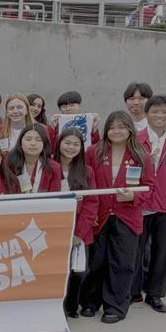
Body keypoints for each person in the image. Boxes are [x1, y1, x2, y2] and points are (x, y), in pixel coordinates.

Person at [82, 111, 154, 324]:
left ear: (130, 129)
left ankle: (115, 306)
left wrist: (133, 196)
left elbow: (150, 187)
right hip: (100, 215)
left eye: (121, 127)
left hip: (127, 216)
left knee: (122, 263)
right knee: (96, 261)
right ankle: (90, 301)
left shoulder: (141, 156)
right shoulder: (94, 152)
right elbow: (85, 182)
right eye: (112, 127)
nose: (116, 131)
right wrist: (90, 212)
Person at [133, 95, 166, 312]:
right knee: (136, 248)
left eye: (164, 112)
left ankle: (155, 294)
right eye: (154, 111)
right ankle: (133, 291)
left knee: (162, 250)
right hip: (141, 203)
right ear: (146, 113)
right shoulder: (136, 138)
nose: (159, 116)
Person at [54, 129, 98, 318]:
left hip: (79, 231)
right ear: (59, 143)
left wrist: (79, 233)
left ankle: (72, 306)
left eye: (75, 144)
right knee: (56, 270)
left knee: (79, 271)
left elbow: (91, 203)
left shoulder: (87, 171)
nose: (71, 147)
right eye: (67, 143)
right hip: (54, 229)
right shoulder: (50, 167)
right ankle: (58, 307)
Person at [3, 124, 62, 193]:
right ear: (20, 143)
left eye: (38, 140)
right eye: (28, 139)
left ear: (44, 144)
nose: (33, 143)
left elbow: (55, 197)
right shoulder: (10, 164)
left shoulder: (54, 168)